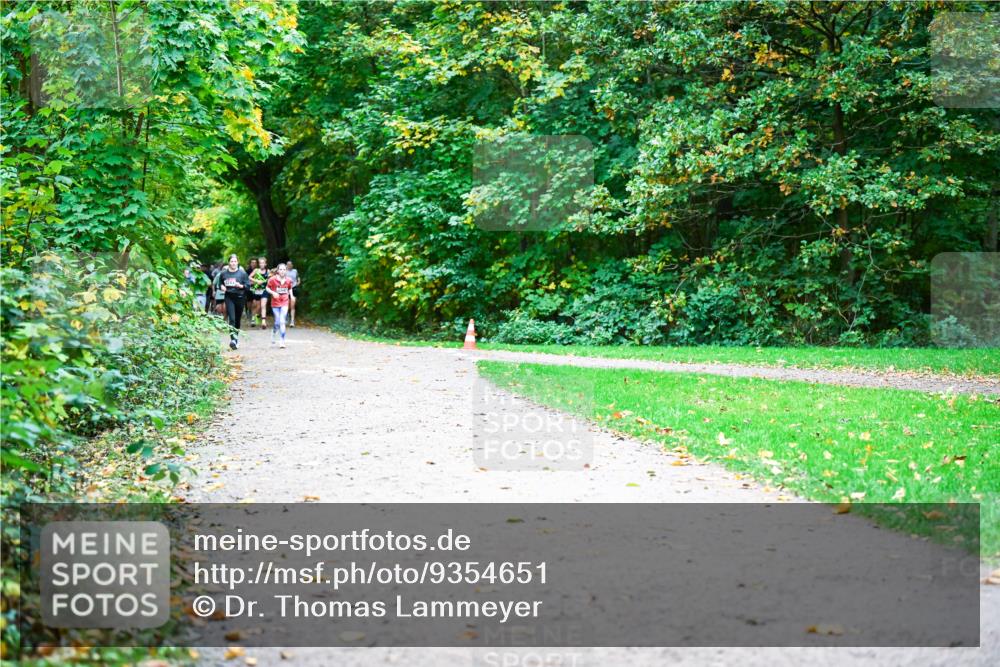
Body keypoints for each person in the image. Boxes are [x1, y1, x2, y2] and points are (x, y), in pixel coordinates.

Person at [217, 254, 250, 350]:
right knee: (232, 318)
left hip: (240, 297)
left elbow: (248, 286)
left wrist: (241, 286)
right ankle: (233, 340)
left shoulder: (242, 274)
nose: (233, 263)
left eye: (235, 261)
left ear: (238, 262)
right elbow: (220, 284)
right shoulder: (223, 273)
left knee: (237, 320)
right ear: (229, 263)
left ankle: (236, 338)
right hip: (229, 297)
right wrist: (222, 287)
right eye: (231, 261)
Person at [266, 262, 294, 348]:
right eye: (280, 269)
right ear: (278, 270)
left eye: (284, 269)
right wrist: (273, 292)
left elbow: (289, 288)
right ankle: (274, 332)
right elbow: (267, 288)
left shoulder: (289, 280)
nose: (282, 271)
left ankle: (282, 341)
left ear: (286, 271)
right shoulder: (272, 279)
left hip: (285, 302)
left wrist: (292, 296)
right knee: (277, 321)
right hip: (275, 303)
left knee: (282, 321)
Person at [254, 256, 269, 329]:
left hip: (265, 290)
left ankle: (263, 321)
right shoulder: (256, 270)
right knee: (258, 307)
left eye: (263, 263)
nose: (261, 264)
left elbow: (270, 278)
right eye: (260, 263)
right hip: (257, 290)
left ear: (265, 264)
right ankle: (255, 317)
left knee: (263, 305)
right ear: (259, 264)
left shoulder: (268, 271)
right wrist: (256, 281)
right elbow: (249, 277)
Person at [246, 258, 261, 326]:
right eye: (252, 262)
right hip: (249, 288)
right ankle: (249, 311)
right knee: (249, 302)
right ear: (250, 263)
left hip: (257, 288)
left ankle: (255, 316)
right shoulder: (247, 271)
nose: (254, 263)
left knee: (256, 303)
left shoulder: (259, 270)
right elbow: (246, 279)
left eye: (255, 262)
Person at [285, 260, 300, 327]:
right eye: (288, 264)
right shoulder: (284, 271)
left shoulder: (295, 271)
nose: (289, 265)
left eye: (290, 264)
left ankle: (292, 321)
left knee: (292, 305)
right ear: (286, 265)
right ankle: (287, 316)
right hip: (285, 290)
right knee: (287, 305)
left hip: (294, 289)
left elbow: (298, 278)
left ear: (292, 265)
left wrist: (298, 282)